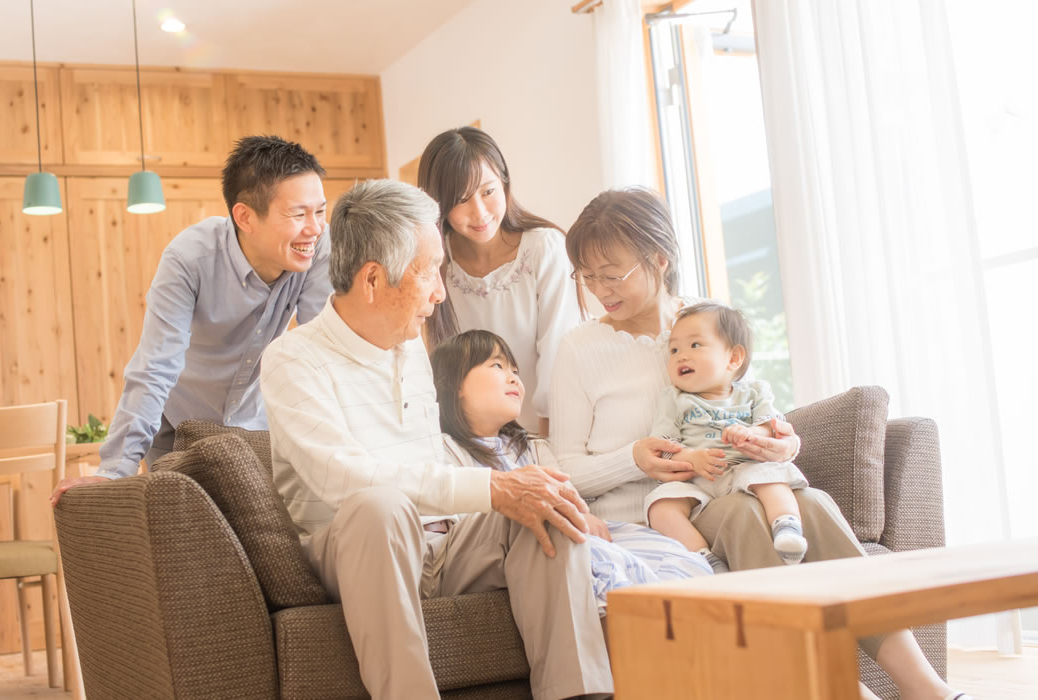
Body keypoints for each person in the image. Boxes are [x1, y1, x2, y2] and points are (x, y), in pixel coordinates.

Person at [549, 186, 970, 700]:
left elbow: (752, 407)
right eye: (586, 276)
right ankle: (844, 688)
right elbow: (566, 469)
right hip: (662, 517)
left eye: (610, 273)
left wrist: (781, 444)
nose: (597, 289)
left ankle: (924, 685)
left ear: (658, 259)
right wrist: (633, 458)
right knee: (749, 515)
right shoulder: (580, 349)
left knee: (810, 502)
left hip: (734, 484)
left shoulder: (706, 323)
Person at [259, 179, 611, 700]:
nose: (441, 292)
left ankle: (578, 695)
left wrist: (519, 490)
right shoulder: (292, 359)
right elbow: (340, 479)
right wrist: (491, 487)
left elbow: (435, 471)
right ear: (374, 279)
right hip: (356, 548)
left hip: (441, 547)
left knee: (546, 504)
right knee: (381, 507)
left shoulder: (410, 350)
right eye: (429, 273)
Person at [50, 135, 332, 505]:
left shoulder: (314, 250)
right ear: (245, 216)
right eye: (298, 214)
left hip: (254, 425)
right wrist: (112, 473)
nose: (315, 228)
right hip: (176, 429)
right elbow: (155, 367)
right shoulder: (189, 259)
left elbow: (321, 352)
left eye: (320, 211)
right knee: (183, 541)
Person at [430, 328, 712, 613]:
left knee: (671, 554)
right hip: (527, 544)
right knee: (605, 564)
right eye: (497, 366)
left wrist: (584, 515)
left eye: (514, 369)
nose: (514, 377)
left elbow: (569, 494)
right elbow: (466, 530)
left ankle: (681, 621)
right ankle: (639, 621)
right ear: (455, 385)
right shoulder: (443, 450)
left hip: (576, 533)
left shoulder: (532, 446)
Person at [418, 126, 580, 435]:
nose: (479, 212)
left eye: (488, 191)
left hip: (549, 432)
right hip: (473, 443)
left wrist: (543, 445)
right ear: (438, 204)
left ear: (504, 182)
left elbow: (559, 355)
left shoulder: (544, 248)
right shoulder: (436, 263)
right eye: (461, 200)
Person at [645, 302, 809, 573]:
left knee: (771, 477)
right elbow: (662, 446)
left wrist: (752, 433)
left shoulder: (755, 392)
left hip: (746, 466)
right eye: (674, 350)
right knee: (660, 507)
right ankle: (704, 558)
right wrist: (691, 459)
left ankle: (787, 527)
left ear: (733, 358)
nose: (681, 356)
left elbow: (773, 427)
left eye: (695, 345)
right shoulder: (673, 399)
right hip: (697, 479)